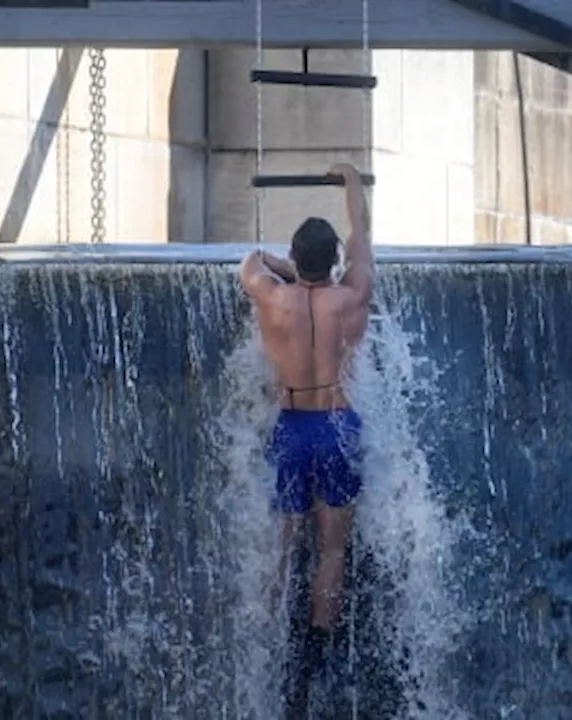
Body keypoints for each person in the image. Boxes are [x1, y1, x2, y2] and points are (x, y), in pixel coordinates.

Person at [238, 163, 374, 714]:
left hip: (291, 424)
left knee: (285, 540)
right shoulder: (353, 296)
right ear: (335, 262)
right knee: (333, 546)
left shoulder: (272, 296)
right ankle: (317, 656)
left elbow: (248, 263)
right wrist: (350, 183)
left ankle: (269, 643)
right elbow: (361, 236)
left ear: (297, 259)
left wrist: (282, 267)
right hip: (337, 423)